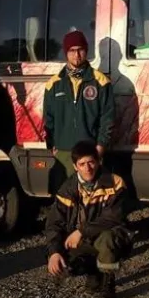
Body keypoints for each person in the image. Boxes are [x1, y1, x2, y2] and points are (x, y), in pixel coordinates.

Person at [44, 140, 133, 298]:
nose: (87, 168)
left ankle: (108, 283)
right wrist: (54, 252)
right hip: (82, 239)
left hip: (110, 234)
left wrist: (81, 232)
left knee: (107, 239)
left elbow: (114, 217)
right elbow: (54, 223)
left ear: (99, 161)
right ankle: (94, 271)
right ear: (75, 166)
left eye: (91, 162)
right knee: (64, 260)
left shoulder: (115, 182)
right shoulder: (67, 188)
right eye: (82, 164)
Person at [43, 30, 115, 183]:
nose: (77, 55)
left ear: (86, 51)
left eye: (80, 50)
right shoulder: (53, 84)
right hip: (63, 153)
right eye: (72, 51)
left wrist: (100, 147)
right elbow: (49, 119)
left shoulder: (101, 81)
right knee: (64, 199)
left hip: (90, 153)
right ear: (66, 53)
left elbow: (108, 118)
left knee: (92, 199)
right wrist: (51, 146)